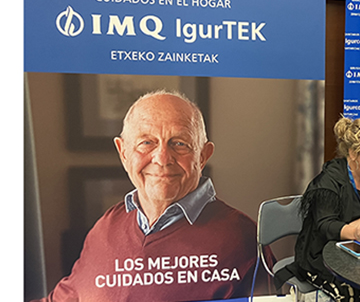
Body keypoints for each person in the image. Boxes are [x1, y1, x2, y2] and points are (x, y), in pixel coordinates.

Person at [37, 90, 273, 302]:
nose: (162, 158)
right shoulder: (105, 228)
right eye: (146, 142)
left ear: (203, 156)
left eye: (179, 143)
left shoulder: (244, 240)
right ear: (123, 153)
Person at [285, 117, 360, 302]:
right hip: (322, 257)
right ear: (353, 153)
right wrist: (353, 231)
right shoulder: (329, 182)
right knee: (350, 294)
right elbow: (326, 225)